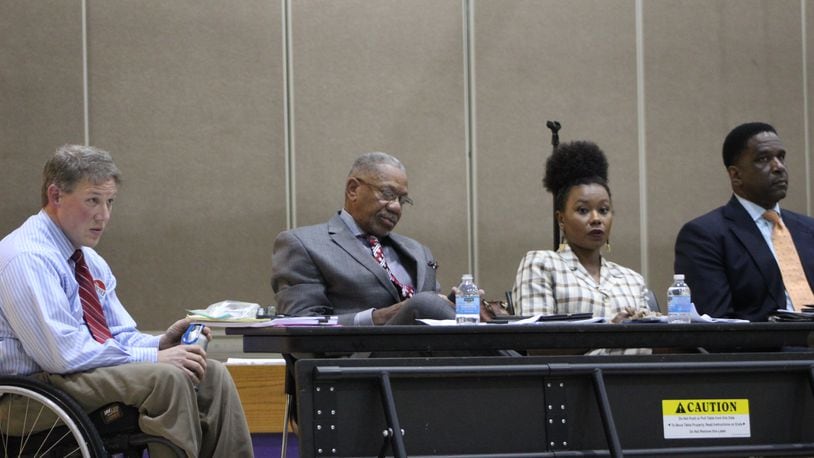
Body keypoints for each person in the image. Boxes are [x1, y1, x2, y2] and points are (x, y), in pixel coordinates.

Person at [0, 145, 253, 458]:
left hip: (73, 377)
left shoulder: (88, 260)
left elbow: (115, 335)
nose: (103, 216)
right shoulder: (28, 257)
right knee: (167, 378)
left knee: (211, 375)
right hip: (29, 397)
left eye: (109, 202)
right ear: (55, 196)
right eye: (92, 200)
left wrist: (159, 345)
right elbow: (63, 355)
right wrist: (153, 360)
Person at [271, 152, 455, 325]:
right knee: (424, 303)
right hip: (357, 354)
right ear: (353, 190)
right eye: (388, 194)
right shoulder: (303, 244)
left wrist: (458, 308)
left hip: (427, 353)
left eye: (402, 200)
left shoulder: (418, 251)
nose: (396, 207)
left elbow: (432, 313)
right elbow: (301, 325)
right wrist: (378, 317)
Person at [511, 141, 652, 353]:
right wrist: (610, 336)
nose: (596, 219)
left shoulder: (632, 279)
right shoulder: (541, 264)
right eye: (583, 210)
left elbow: (652, 343)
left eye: (604, 210)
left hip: (637, 380)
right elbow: (537, 345)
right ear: (561, 219)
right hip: (572, 382)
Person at [674, 122, 814, 322]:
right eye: (763, 159)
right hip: (766, 350)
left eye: (781, 157)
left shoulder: (809, 229)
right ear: (736, 175)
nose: (779, 167)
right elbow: (716, 323)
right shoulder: (705, 235)